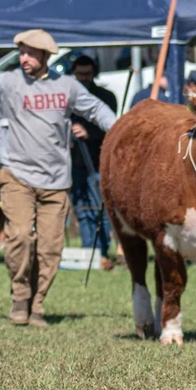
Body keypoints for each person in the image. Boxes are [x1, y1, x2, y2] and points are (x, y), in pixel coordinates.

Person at [0, 29, 117, 328]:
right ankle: (19, 296)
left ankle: (37, 302)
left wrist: (121, 129)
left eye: (31, 53)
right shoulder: (8, 81)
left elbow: (95, 109)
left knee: (51, 248)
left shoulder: (66, 85)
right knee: (19, 236)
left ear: (45, 56)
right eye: (22, 52)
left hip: (56, 179)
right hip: (15, 174)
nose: (24, 58)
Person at [68, 55, 118, 272]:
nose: (84, 79)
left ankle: (102, 249)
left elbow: (112, 127)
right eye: (80, 75)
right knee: (81, 206)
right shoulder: (68, 96)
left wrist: (89, 132)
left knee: (100, 207)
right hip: (75, 161)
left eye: (88, 74)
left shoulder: (106, 96)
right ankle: (88, 248)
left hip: (98, 161)